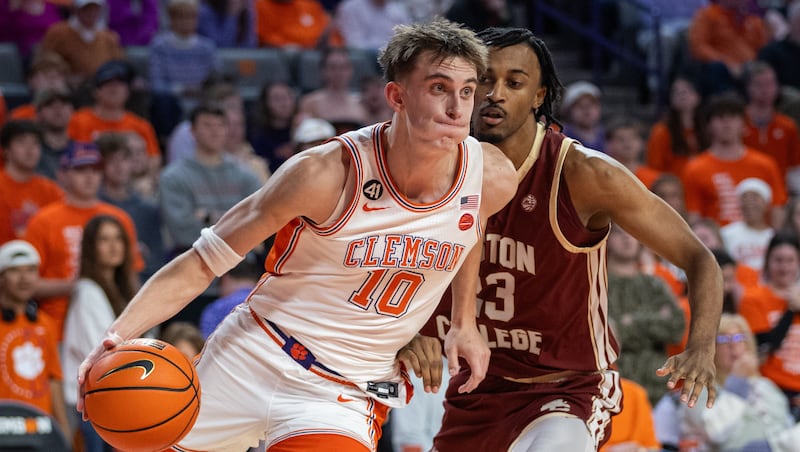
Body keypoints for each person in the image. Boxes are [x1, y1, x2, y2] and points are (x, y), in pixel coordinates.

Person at [76, 19, 517, 452]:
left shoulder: (491, 178)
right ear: (396, 96)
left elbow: (469, 225)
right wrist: (115, 337)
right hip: (253, 354)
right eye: (439, 88)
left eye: (467, 91)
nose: (457, 108)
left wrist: (464, 321)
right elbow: (201, 263)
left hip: (339, 393)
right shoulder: (324, 173)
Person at [414, 27, 723, 451]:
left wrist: (702, 347)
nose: (495, 94)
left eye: (514, 83)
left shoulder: (584, 173)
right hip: (477, 389)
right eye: (484, 80)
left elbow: (699, 258)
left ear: (538, 96)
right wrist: (409, 333)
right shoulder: (436, 166)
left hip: (566, 389)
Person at [23, 142, 144, 340]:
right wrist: (82, 285)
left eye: (95, 169)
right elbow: (27, 283)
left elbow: (131, 274)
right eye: (80, 170)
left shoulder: (119, 218)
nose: (89, 176)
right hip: (57, 327)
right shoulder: (43, 221)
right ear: (62, 174)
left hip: (113, 322)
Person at [62, 214, 138, 452]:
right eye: (104, 240)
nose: (114, 246)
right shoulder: (87, 291)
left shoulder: (125, 289)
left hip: (115, 397)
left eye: (118, 239)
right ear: (91, 248)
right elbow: (103, 351)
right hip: (92, 403)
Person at [680, 313, 800, 451]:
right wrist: (738, 382)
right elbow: (714, 432)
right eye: (723, 339)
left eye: (739, 338)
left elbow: (786, 431)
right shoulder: (698, 389)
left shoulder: (766, 386)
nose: (733, 345)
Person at [606, 225, 686, 406]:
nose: (626, 238)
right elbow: (608, 335)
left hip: (659, 387)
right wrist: (655, 318)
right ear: (607, 239)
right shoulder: (599, 285)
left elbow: (676, 328)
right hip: (617, 388)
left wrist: (631, 321)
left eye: (631, 233)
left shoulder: (654, 284)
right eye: (618, 233)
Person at [681, 93, 787, 228]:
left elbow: (777, 208)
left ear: (743, 124)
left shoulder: (765, 164)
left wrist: (774, 237)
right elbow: (693, 215)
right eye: (720, 117)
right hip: (715, 239)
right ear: (709, 125)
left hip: (758, 237)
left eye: (733, 117)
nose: (727, 123)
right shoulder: (695, 168)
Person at [0, 240, 71, 441]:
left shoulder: (45, 323)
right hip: (4, 425)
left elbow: (54, 378)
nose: (24, 278)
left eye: (31, 270)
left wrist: (63, 427)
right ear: (2, 278)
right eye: (15, 271)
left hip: (38, 426)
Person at [738, 233, 800, 422]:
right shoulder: (753, 299)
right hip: (771, 392)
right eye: (778, 260)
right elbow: (766, 344)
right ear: (767, 262)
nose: (784, 267)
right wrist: (791, 310)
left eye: (790, 260)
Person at [0, 120, 64, 245]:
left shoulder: (51, 190)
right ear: (5, 150)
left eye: (35, 143)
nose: (30, 149)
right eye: (21, 142)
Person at [39, 0, 125, 88]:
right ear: (76, 10)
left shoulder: (109, 37)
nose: (91, 12)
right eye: (86, 8)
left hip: (101, 86)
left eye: (95, 9)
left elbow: (118, 63)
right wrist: (66, 76)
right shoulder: (58, 33)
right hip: (67, 86)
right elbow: (46, 60)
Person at [646, 76, 708, 177]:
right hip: (673, 183)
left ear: (697, 96)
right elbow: (654, 166)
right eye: (676, 92)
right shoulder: (661, 131)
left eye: (686, 91)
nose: (681, 95)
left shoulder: (708, 128)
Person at [720, 177, 775, 272]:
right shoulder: (726, 233)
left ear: (766, 204)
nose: (749, 201)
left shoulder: (773, 236)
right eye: (744, 197)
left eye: (755, 197)